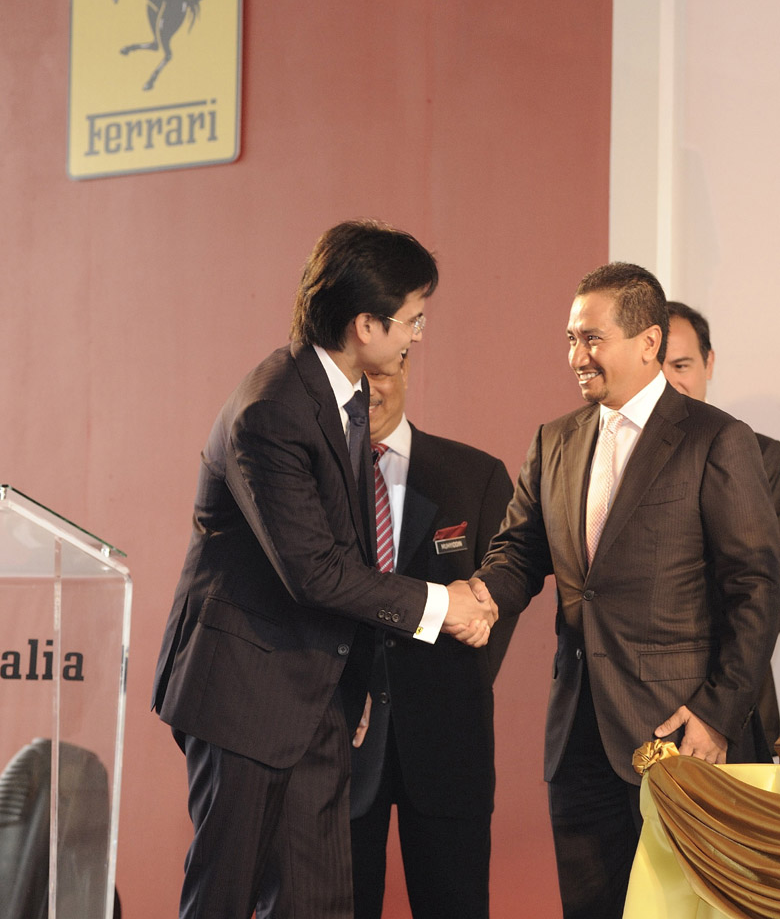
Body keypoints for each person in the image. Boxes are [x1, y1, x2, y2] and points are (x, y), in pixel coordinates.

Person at [151, 219, 498, 919]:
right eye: (412, 319)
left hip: (317, 702)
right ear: (365, 324)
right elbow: (316, 569)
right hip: (244, 697)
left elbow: (347, 557)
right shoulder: (274, 407)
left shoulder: (342, 397)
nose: (418, 336)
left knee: (318, 904)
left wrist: (360, 682)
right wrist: (443, 605)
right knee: (226, 895)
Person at [474, 262, 780, 919]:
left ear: (648, 343)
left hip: (683, 735)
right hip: (579, 737)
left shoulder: (716, 439)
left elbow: (755, 590)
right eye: (570, 339)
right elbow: (518, 555)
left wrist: (719, 715)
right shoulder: (554, 440)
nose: (576, 356)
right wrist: (476, 598)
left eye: (591, 338)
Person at [349, 352, 514, 919]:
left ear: (406, 367)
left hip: (450, 743)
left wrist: (456, 683)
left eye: (380, 375)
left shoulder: (476, 475)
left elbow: (499, 603)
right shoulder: (311, 479)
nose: (367, 390)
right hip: (341, 740)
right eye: (355, 377)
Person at [662, 300, 780, 750]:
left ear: (709, 363)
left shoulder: (769, 462)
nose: (671, 380)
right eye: (659, 365)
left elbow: (763, 595)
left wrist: (720, 709)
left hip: (739, 710)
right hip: (637, 710)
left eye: (683, 364)